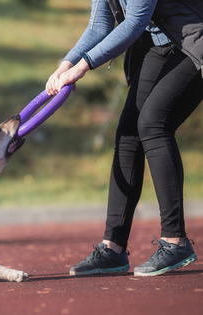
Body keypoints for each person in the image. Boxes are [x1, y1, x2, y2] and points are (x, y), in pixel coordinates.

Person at [46, 0, 203, 276]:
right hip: (162, 42)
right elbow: (99, 25)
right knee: (129, 131)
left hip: (194, 39)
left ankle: (175, 241)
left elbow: (134, 22)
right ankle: (113, 249)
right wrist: (66, 64)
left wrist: (82, 67)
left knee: (154, 123)